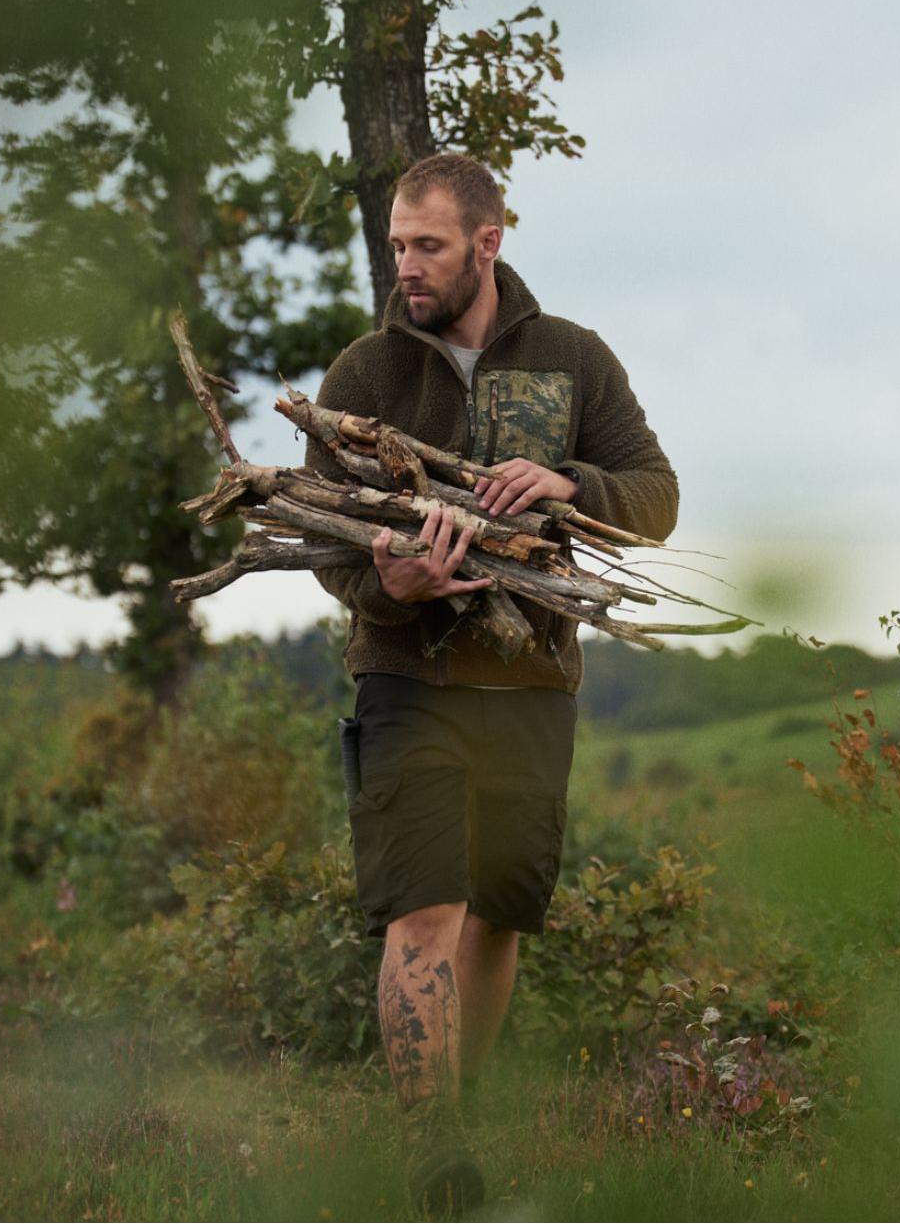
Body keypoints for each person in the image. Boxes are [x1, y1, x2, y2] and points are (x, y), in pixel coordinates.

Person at [304, 153, 678, 1214]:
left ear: (488, 242)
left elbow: (657, 497)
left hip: (532, 681)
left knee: (502, 911)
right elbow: (330, 548)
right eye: (397, 244)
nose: (406, 265)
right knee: (423, 906)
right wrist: (388, 579)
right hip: (405, 676)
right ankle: (435, 1155)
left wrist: (574, 480)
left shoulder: (573, 359)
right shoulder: (364, 374)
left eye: (428, 244)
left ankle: (461, 1122)